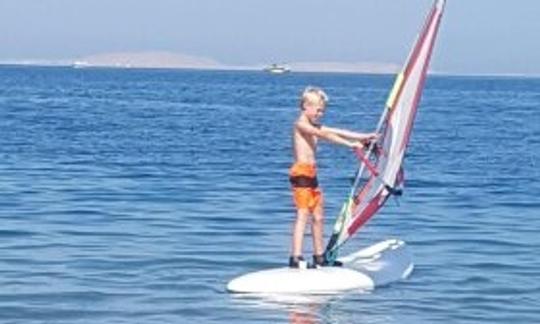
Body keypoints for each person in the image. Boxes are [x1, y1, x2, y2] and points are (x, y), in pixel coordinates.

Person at [289, 86, 378, 268]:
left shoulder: (313, 125)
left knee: (319, 216)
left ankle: (319, 256)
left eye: (323, 110)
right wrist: (351, 144)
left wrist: (363, 137)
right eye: (318, 110)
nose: (320, 114)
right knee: (303, 214)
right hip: (301, 173)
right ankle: (295, 257)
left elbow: (337, 130)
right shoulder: (301, 125)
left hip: (312, 174)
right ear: (306, 106)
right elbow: (324, 134)